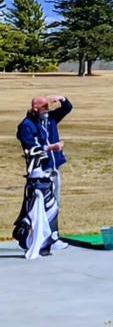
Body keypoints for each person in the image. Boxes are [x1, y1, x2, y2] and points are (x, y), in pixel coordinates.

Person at [15, 95, 72, 254]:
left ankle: (52, 238)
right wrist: (51, 148)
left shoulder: (51, 119)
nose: (48, 110)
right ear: (35, 109)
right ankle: (38, 238)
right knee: (41, 207)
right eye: (45, 107)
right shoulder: (26, 125)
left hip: (54, 168)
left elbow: (67, 108)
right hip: (39, 172)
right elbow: (30, 148)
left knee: (54, 205)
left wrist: (61, 98)